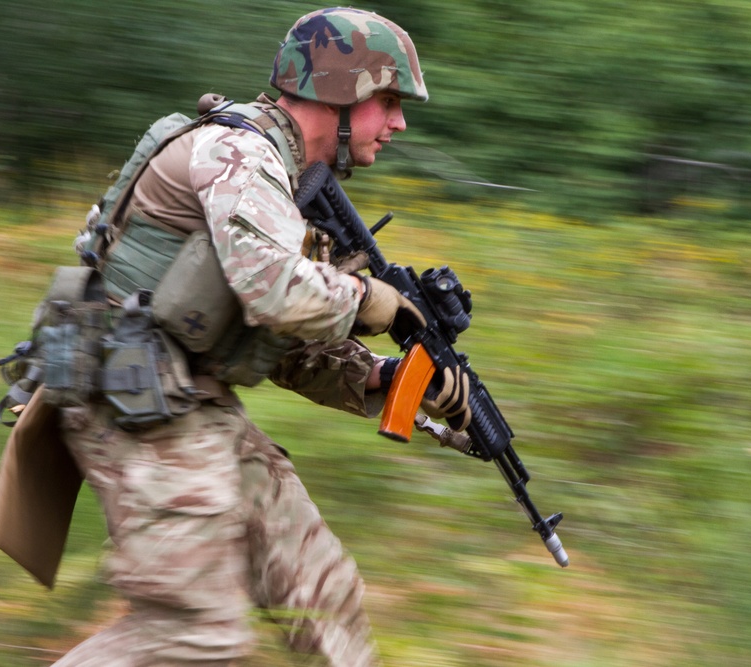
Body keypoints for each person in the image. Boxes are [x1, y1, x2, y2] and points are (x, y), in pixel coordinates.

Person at [42, 7, 467, 666]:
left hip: (187, 403)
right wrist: (373, 300)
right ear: (341, 93)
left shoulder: (288, 183)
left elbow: (285, 345)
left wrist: (392, 382)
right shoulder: (240, 153)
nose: (399, 122)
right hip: (136, 407)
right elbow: (274, 291)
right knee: (192, 635)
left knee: (322, 592)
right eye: (389, 101)